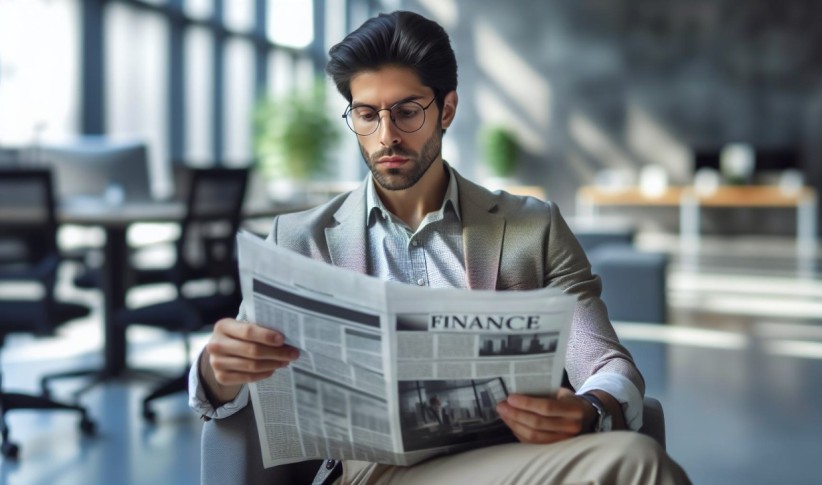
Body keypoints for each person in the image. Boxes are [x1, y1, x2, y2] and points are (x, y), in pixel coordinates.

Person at [189, 10, 690, 484]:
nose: (386, 136)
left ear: (445, 109)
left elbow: (608, 364)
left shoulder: (531, 228)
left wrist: (589, 409)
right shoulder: (300, 239)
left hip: (514, 461)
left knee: (636, 459)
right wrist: (218, 366)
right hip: (371, 472)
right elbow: (227, 388)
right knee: (637, 463)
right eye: (366, 115)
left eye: (407, 112)